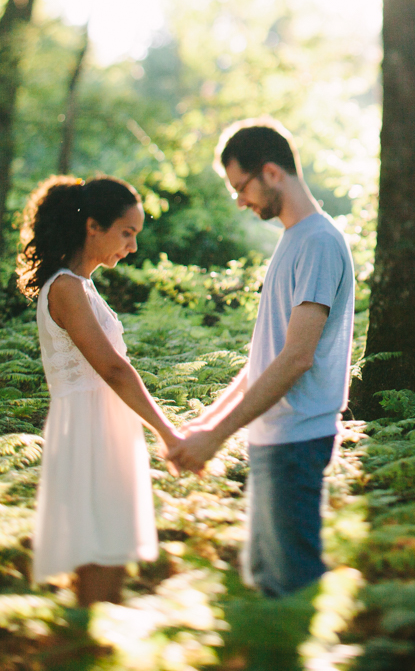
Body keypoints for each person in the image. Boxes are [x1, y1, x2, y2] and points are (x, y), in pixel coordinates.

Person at [167, 118, 355, 598]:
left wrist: (217, 438)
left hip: (296, 440)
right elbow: (264, 359)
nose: (239, 201)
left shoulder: (317, 241)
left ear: (271, 172)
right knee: (271, 582)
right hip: (275, 439)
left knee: (293, 587)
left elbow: (296, 359)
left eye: (241, 187)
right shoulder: (295, 241)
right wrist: (204, 425)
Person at [15, 174, 180, 606]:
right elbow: (113, 369)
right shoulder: (67, 288)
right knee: (101, 552)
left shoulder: (81, 285)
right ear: (92, 226)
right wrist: (169, 433)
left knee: (109, 550)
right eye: (127, 233)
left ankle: (91, 636)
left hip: (103, 425)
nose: (133, 246)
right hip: (88, 430)